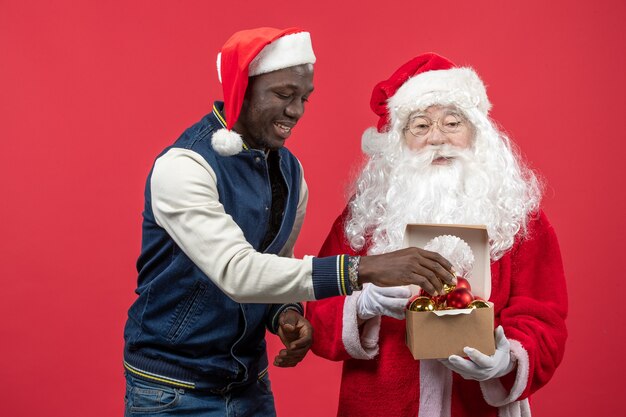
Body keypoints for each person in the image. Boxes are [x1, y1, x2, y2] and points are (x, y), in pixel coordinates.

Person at [122, 30, 457, 417]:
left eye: (303, 98)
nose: (297, 111)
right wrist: (366, 269)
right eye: (283, 95)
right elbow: (238, 272)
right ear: (241, 89)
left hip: (249, 383)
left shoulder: (290, 172)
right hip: (172, 391)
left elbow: (276, 261)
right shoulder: (184, 168)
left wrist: (284, 313)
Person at [306, 53, 568, 417]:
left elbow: (544, 319)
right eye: (420, 126)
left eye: (452, 122)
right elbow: (316, 307)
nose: (437, 139)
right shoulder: (365, 217)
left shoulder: (518, 216)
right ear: (399, 139)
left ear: (475, 132)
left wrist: (507, 359)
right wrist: (364, 304)